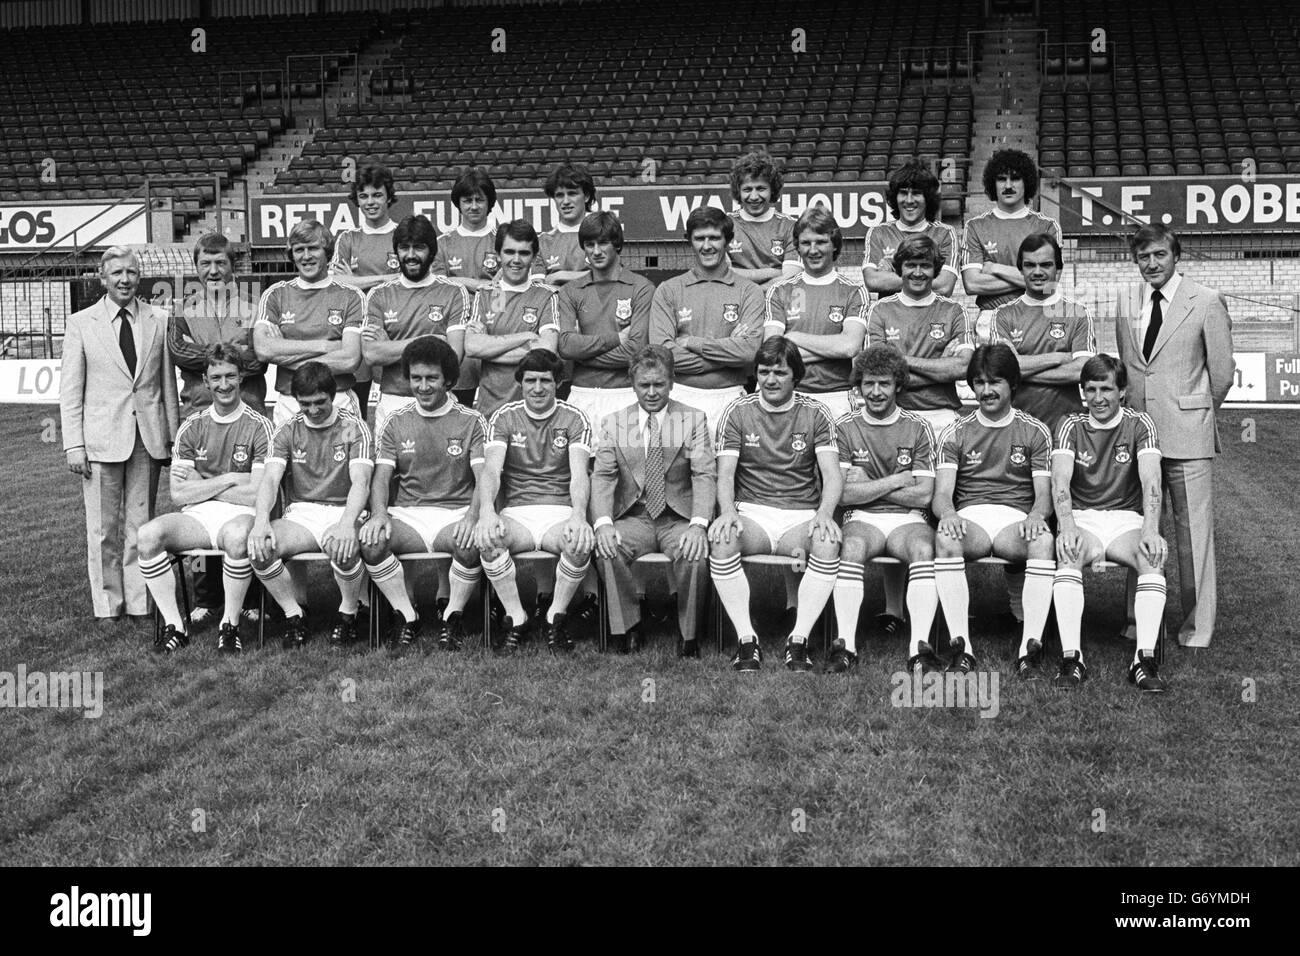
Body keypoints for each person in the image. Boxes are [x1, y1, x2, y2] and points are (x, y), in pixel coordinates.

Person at [1116, 224, 1234, 648]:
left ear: (1175, 255)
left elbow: (1221, 375)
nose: (1151, 263)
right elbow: (1129, 370)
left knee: (1192, 534)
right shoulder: (1127, 300)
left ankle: (1196, 628)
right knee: (1140, 526)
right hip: (1139, 437)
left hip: (1188, 435)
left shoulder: (1205, 300)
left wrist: (1195, 413)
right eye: (1143, 256)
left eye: (1159, 255)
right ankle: (1138, 621)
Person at [60, 246, 179, 624]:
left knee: (141, 526)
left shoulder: (159, 319)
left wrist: (172, 437)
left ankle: (142, 601)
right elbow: (70, 391)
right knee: (102, 529)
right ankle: (108, 605)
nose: (124, 280)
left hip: (148, 438)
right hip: (100, 441)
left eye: (131, 272)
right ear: (102, 277)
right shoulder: (81, 323)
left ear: (138, 276)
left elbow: (166, 387)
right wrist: (74, 445)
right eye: (117, 274)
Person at [710, 337, 843, 672]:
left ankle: (798, 640)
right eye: (764, 371)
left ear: (795, 375)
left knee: (828, 542)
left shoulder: (816, 412)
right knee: (722, 539)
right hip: (752, 513)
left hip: (800, 516)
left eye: (779, 372)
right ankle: (746, 640)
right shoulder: (738, 410)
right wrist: (727, 513)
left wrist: (825, 514)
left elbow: (832, 475)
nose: (770, 379)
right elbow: (724, 475)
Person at [864, 233, 972, 634]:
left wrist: (903, 365)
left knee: (942, 509)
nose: (918, 272)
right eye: (910, 264)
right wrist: (930, 363)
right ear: (899, 268)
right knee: (900, 510)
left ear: (936, 270)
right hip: (897, 416)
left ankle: (945, 604)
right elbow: (879, 368)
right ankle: (894, 610)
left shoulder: (952, 310)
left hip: (943, 417)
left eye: (925, 265)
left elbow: (961, 369)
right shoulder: (882, 311)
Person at [931, 345, 1055, 677]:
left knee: (1043, 540)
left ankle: (1030, 646)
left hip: (1015, 520)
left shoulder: (1034, 430)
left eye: (995, 381)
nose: (987, 390)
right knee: (945, 536)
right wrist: (949, 514)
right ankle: (961, 646)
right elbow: (941, 494)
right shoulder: (956, 430)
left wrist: (1036, 516)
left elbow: (1044, 496)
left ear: (1012, 384)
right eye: (980, 382)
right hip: (971, 519)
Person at [139, 346, 272, 654]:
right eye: (216, 377)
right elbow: (179, 493)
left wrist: (205, 483)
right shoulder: (192, 426)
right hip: (197, 516)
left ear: (242, 378)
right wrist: (228, 479)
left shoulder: (259, 425)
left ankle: (230, 624)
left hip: (241, 515)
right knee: (147, 537)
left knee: (239, 538)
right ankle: (177, 626)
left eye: (230, 376)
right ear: (204, 381)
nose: (223, 385)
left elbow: (256, 492)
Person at [359, 337, 487, 655]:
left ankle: (452, 617)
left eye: (432, 378)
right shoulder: (395, 421)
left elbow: (485, 479)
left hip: (455, 512)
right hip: (408, 514)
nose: (424, 386)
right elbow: (381, 478)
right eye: (416, 378)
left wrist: (473, 517)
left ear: (449, 380)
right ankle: (408, 616)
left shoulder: (471, 421)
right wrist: (378, 515)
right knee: (371, 543)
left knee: (471, 543)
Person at [168, 232, 268, 629]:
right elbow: (179, 352)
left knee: (250, 503)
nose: (213, 270)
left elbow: (258, 360)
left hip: (248, 417)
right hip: (199, 419)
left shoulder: (253, 309)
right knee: (199, 506)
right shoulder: (182, 311)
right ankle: (207, 597)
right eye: (206, 263)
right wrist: (230, 354)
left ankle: (255, 596)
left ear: (233, 266)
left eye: (221, 263)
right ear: (196, 268)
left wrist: (211, 355)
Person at [1051, 354, 1168, 691]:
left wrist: (1150, 528)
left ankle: (1143, 660)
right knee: (1069, 552)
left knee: (1152, 556)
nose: (1098, 398)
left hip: (1126, 521)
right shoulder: (1070, 425)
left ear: (1122, 392)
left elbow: (1151, 482)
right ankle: (1072, 658)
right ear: (1082, 391)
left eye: (1106, 389)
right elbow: (1060, 482)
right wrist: (1068, 526)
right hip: (1084, 519)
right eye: (1091, 389)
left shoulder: (1139, 423)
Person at [591, 345, 715, 656]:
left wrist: (699, 524)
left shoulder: (693, 420)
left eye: (658, 384)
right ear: (631, 383)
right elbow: (604, 477)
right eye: (643, 385)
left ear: (672, 382)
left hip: (678, 518)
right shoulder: (614, 423)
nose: (651, 392)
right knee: (608, 548)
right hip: (636, 517)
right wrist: (604, 523)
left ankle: (689, 635)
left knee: (694, 554)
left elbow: (703, 475)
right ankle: (628, 626)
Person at [475, 349, 594, 654]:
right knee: (488, 542)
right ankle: (516, 618)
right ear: (521, 382)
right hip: (518, 513)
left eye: (545, 381)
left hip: (560, 511)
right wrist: (488, 512)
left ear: (558, 383)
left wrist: (579, 515)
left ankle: (556, 616)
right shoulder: (504, 416)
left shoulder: (574, 417)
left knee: (579, 543)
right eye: (530, 381)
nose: (537, 388)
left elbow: (580, 474)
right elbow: (491, 470)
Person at [247, 361, 374, 649]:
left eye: (320, 402)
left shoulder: (352, 428)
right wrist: (260, 522)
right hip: (303, 512)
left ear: (332, 396)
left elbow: (361, 482)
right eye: (306, 404)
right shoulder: (287, 430)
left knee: (341, 546)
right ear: (295, 400)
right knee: (259, 548)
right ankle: (294, 615)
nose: (314, 410)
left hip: (344, 509)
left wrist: (347, 524)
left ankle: (348, 614)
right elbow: (269, 481)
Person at [830, 346, 939, 674]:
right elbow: (844, 495)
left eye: (884, 384)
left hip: (908, 520)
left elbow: (924, 497)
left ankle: (919, 649)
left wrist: (870, 484)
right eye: (868, 384)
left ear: (899, 385)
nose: (875, 392)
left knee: (923, 547)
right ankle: (845, 646)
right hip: (863, 518)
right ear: (859, 386)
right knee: (850, 547)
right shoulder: (845, 426)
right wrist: (895, 481)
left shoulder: (918, 426)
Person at [650, 206, 766, 435]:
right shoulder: (668, 290)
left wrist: (693, 342)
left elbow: (749, 353)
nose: (707, 246)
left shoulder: (749, 291)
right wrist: (728, 351)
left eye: (714, 238)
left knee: (730, 471)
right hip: (680, 395)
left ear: (727, 241)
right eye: (699, 238)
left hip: (731, 397)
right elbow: (661, 355)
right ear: (689, 241)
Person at [362, 214, 471, 436]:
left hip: (439, 401)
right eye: (404, 248)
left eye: (419, 247)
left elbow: (454, 355)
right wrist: (430, 341)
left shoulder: (454, 292)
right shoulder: (378, 295)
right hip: (393, 400)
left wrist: (391, 346)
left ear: (432, 251)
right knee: (388, 470)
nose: (410, 255)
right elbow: (372, 355)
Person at [253, 219, 364, 429]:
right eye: (299, 250)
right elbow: (263, 349)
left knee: (346, 461)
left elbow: (350, 359)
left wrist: (285, 353)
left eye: (313, 248)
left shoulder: (351, 295)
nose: (306, 256)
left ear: (327, 252)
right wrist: (325, 346)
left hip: (338, 398)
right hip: (289, 401)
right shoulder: (276, 294)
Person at [556, 211, 655, 438]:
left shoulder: (641, 288)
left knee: (630, 472)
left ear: (617, 245)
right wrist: (616, 338)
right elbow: (566, 346)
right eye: (589, 244)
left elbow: (636, 352)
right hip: (582, 394)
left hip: (627, 393)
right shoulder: (571, 291)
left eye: (603, 243)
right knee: (581, 469)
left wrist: (582, 354)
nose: (596, 251)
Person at [763, 205, 867, 421]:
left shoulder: (854, 291)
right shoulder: (780, 290)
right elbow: (774, 353)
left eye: (820, 242)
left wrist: (793, 338)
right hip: (791, 394)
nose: (813, 250)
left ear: (834, 245)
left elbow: (849, 347)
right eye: (806, 243)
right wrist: (831, 349)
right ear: (797, 248)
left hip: (837, 397)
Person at [992, 233, 1096, 434]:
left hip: (1067, 429)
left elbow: (1080, 372)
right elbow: (1003, 370)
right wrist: (1058, 358)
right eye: (1030, 265)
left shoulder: (1077, 314)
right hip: (1017, 429)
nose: (1037, 272)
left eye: (1045, 265)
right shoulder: (1003, 314)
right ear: (1020, 269)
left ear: (1058, 268)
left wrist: (1020, 370)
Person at [464, 219, 560, 418]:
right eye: (509, 252)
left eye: (524, 253)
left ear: (533, 258)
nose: (516, 259)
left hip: (533, 412)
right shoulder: (485, 295)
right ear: (498, 255)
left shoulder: (546, 296)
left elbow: (546, 352)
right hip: (489, 410)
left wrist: (488, 350)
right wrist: (525, 336)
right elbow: (472, 347)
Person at [960, 148, 1061, 332]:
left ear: (1026, 182)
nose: (1008, 185)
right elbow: (972, 283)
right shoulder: (975, 226)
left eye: (1015, 178)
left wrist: (995, 268)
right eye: (1001, 179)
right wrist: (1029, 279)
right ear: (993, 183)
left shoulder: (1047, 226)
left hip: (1038, 315)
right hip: (991, 317)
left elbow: (1049, 285)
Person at [331, 164, 401, 422]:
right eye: (364, 196)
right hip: (356, 329)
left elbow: (408, 281)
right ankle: (360, 455)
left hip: (394, 328)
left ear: (389, 196)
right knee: (356, 404)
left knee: (396, 399)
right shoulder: (347, 238)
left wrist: (357, 280)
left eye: (377, 195)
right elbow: (339, 284)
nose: (370, 202)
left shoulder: (401, 234)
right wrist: (387, 277)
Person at [862, 160, 960, 298]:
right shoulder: (879, 232)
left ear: (928, 198)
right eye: (903, 193)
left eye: (916, 193)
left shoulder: (945, 233)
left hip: (931, 317)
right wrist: (927, 278)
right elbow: (872, 281)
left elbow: (944, 286)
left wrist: (891, 273)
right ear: (894, 197)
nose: (909, 200)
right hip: (890, 317)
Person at [725, 150, 801, 286]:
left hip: (778, 303)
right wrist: (774, 271)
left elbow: (790, 277)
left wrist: (753, 293)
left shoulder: (791, 226)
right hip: (737, 304)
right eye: (747, 189)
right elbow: (723, 274)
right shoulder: (725, 224)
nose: (754, 197)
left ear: (772, 189)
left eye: (761, 189)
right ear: (738, 191)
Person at [533, 163, 597, 286]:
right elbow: (538, 288)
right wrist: (587, 276)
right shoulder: (542, 242)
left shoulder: (601, 236)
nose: (565, 201)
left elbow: (611, 277)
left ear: (587, 196)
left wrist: (561, 276)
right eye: (559, 195)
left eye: (572, 193)